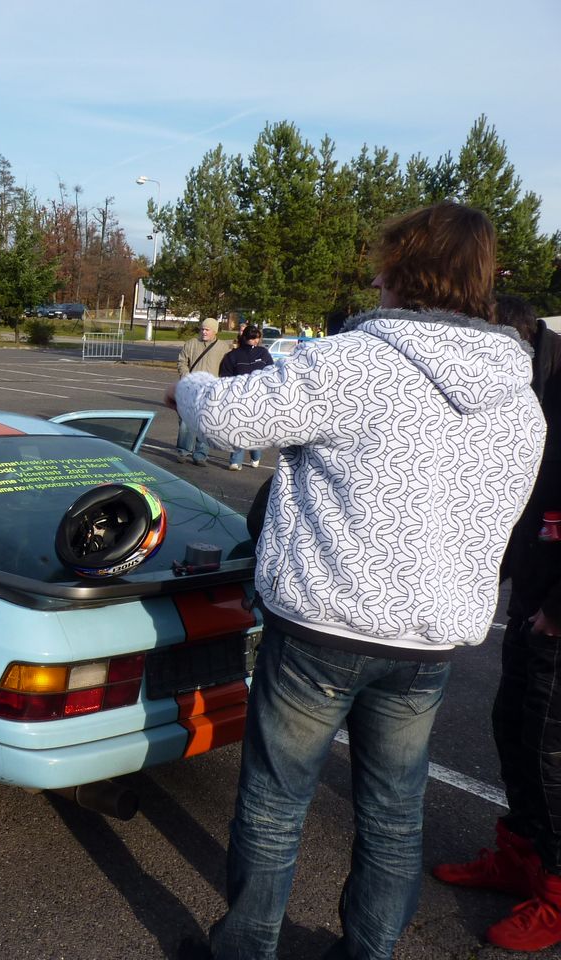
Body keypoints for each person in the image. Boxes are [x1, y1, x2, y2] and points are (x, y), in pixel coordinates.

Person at [167, 201, 544, 960]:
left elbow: (232, 419)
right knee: (394, 813)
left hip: (324, 625)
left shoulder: (353, 361)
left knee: (275, 804)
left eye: (384, 266)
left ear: (406, 271)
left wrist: (187, 391)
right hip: (428, 641)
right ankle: (369, 950)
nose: (374, 280)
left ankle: (246, 948)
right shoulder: (517, 395)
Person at [432, 293, 561, 952]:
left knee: (551, 755)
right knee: (512, 731)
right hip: (533, 594)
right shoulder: (538, 385)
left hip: (557, 613)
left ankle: (558, 893)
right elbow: (530, 500)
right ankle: (521, 856)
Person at [217, 324, 273, 469]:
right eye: (253, 338)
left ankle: (255, 454)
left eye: (257, 338)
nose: (255, 341)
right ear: (246, 338)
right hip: (240, 397)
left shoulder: (262, 353)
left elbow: (271, 371)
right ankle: (235, 461)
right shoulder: (233, 355)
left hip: (257, 398)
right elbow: (225, 376)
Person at [174, 317, 225, 465]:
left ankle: (200, 455)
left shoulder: (223, 347)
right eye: (202, 329)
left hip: (210, 392)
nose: (204, 332)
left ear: (214, 331)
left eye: (207, 330)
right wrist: (186, 376)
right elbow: (182, 361)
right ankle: (183, 451)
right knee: (186, 423)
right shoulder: (191, 343)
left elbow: (226, 367)